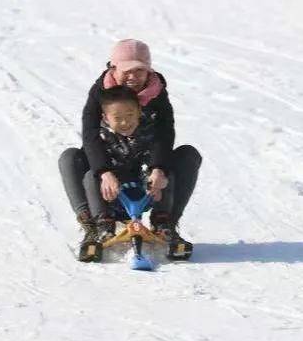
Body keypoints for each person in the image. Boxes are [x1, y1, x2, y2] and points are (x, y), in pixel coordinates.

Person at [58, 39, 201, 259]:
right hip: (110, 166)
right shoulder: (100, 92)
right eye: (127, 71)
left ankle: (166, 223)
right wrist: (104, 172)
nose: (133, 77)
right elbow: (90, 135)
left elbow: (164, 133)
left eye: (140, 71)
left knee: (188, 155)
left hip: (142, 165)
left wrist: (158, 168)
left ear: (149, 71)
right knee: (70, 159)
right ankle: (95, 225)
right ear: (114, 69)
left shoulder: (157, 92)